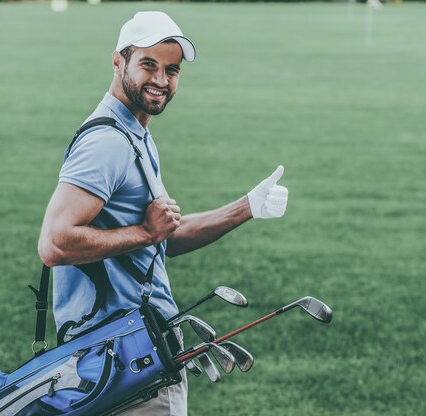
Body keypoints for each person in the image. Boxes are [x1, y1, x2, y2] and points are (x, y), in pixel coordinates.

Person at [38, 11, 288, 415]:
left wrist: (247, 207)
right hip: (127, 353)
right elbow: (54, 242)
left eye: (172, 70)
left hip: (119, 353)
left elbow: (166, 234)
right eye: (148, 65)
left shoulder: (135, 133)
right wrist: (144, 234)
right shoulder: (108, 143)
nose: (161, 80)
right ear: (119, 62)